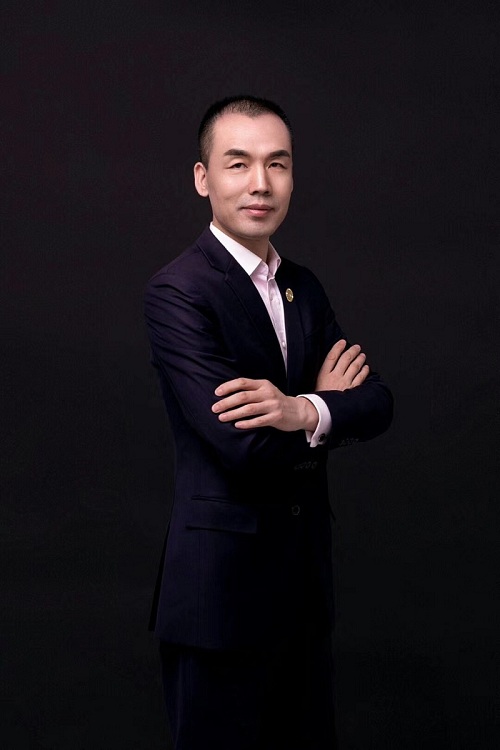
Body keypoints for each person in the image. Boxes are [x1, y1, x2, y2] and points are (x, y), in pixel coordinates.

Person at [143, 94, 393, 750]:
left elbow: (378, 403)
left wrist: (299, 409)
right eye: (239, 163)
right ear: (203, 178)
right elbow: (242, 448)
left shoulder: (302, 287)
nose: (261, 183)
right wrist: (327, 409)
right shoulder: (178, 291)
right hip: (219, 599)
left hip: (303, 594)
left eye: (276, 164)